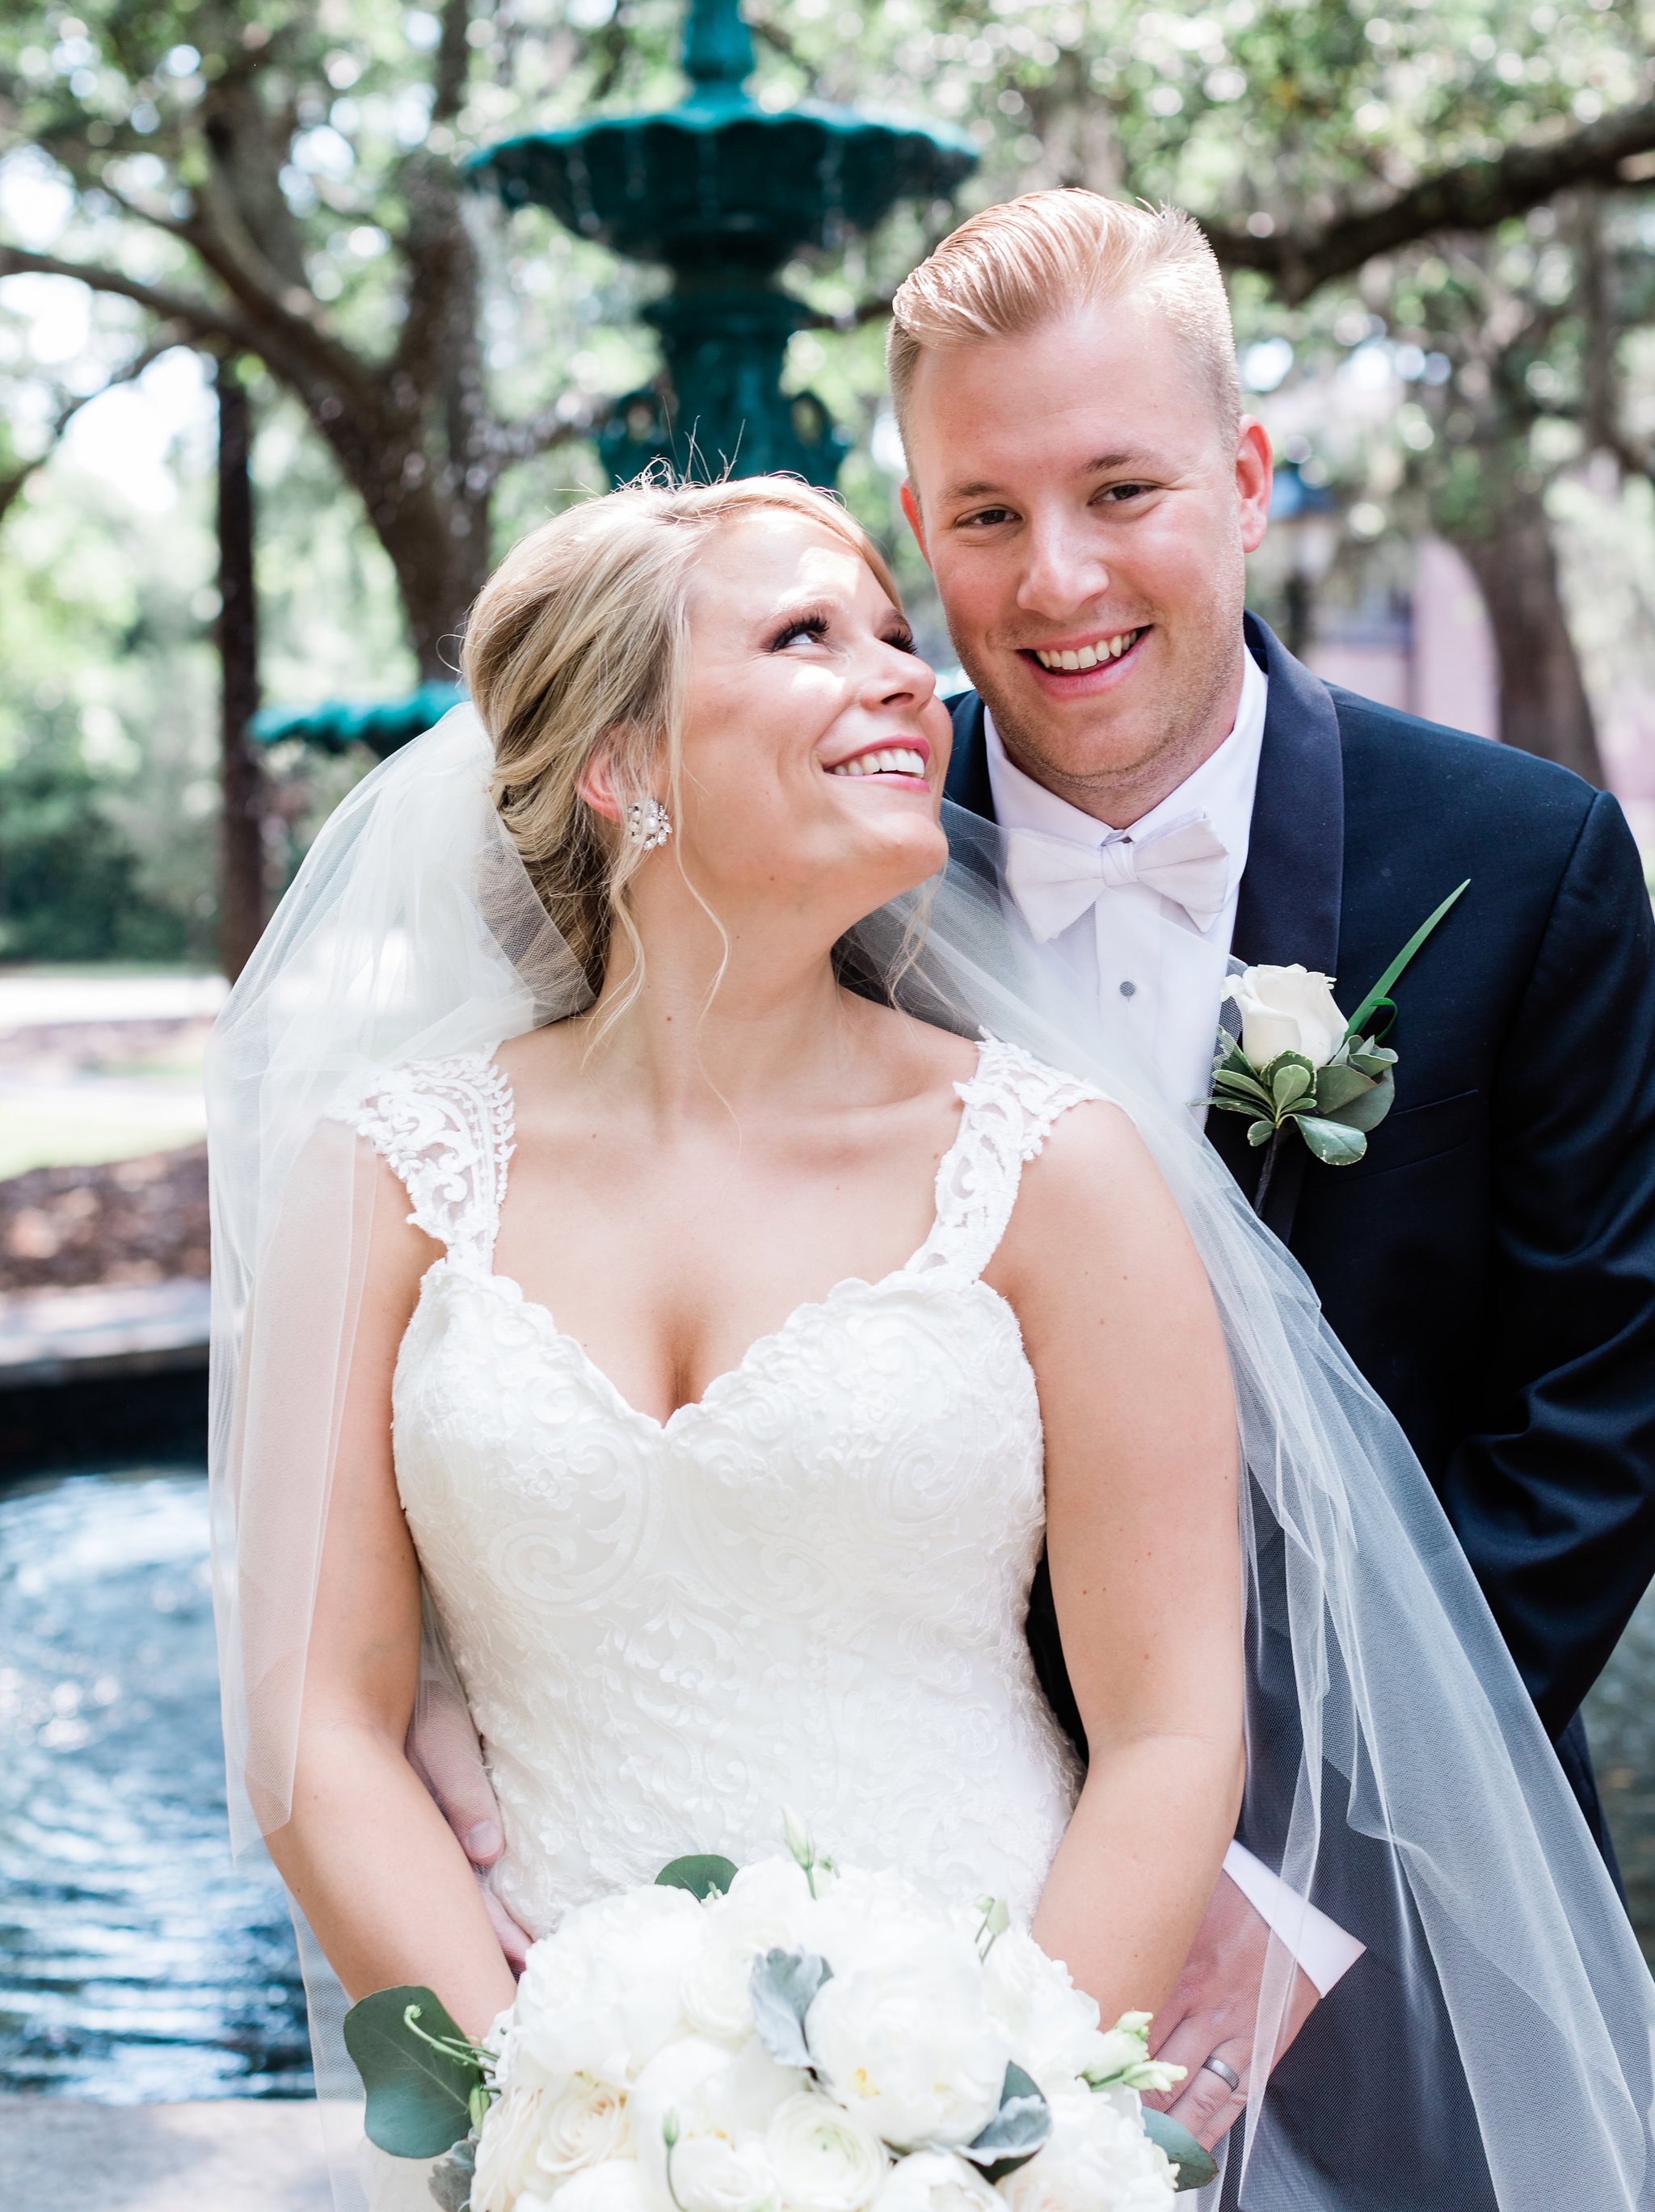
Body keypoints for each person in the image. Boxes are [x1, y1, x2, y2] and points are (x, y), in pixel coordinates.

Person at [209, 471, 1655, 2212]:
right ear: (620, 765)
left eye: (894, 637)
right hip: (551, 2115)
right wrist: (532, 2118)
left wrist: (996, 2137)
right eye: (807, 636)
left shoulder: (1056, 1165)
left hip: (997, 2064)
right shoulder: (384, 1175)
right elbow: (315, 1723)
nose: (906, 678)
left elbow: (1169, 1733)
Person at [883, 187, 1655, 2181]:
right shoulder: (846, 895)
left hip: (1411, 1904)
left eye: (1119, 489)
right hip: (933, 1901)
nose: (1055, 582)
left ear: (1240, 476)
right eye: (983, 514)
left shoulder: (1526, 863)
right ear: (917, 524)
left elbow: (1595, 1411)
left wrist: (1301, 1881)